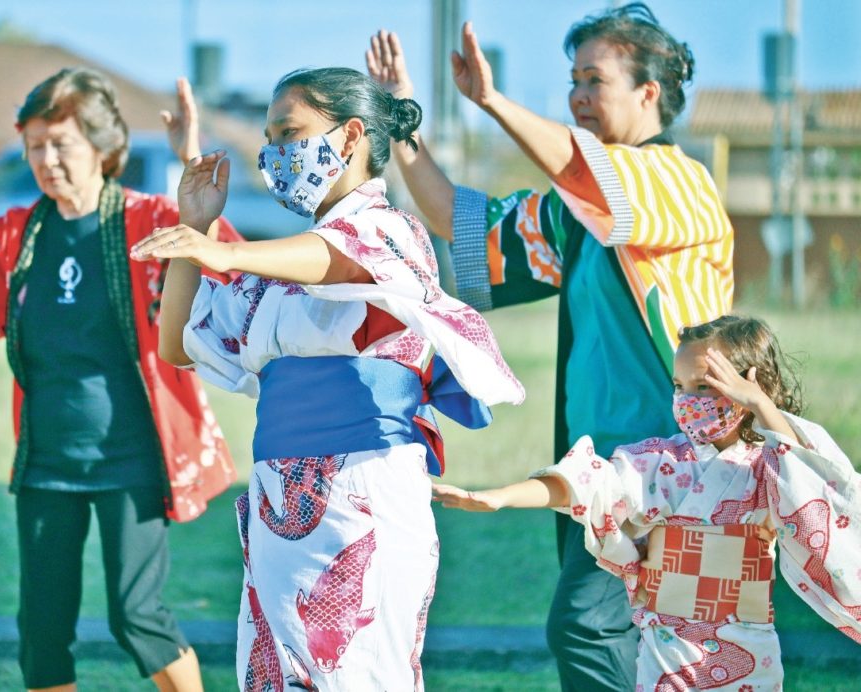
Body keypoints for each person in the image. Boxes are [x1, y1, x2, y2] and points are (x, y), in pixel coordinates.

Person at [367, 4, 735, 688]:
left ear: (649, 92)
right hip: (597, 462)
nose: (577, 96)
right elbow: (459, 221)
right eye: (573, 80)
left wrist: (492, 101)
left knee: (585, 626)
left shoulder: (681, 182)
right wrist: (402, 119)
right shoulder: (580, 209)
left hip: (669, 464)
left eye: (595, 79)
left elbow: (588, 173)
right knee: (640, 646)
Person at [131, 66, 523, 690]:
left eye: (289, 132)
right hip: (280, 497)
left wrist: (226, 253)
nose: (274, 152)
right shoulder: (281, 269)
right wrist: (198, 225)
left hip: (363, 493)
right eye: (269, 137)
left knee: (359, 672)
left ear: (349, 138)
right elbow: (179, 343)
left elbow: (339, 256)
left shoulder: (390, 231)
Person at [0, 67, 240, 692]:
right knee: (41, 632)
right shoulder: (19, 235)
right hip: (47, 459)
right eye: (35, 146)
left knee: (139, 618)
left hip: (133, 457)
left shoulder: (144, 220)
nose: (46, 160)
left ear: (103, 148)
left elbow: (221, 269)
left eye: (61, 144)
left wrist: (189, 163)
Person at [434, 314, 861, 689]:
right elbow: (588, 482)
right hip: (666, 651)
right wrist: (501, 497)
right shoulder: (662, 461)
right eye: (679, 386)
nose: (687, 399)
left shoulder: (774, 464)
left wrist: (762, 406)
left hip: (748, 646)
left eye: (704, 386)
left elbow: (820, 492)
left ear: (750, 387)